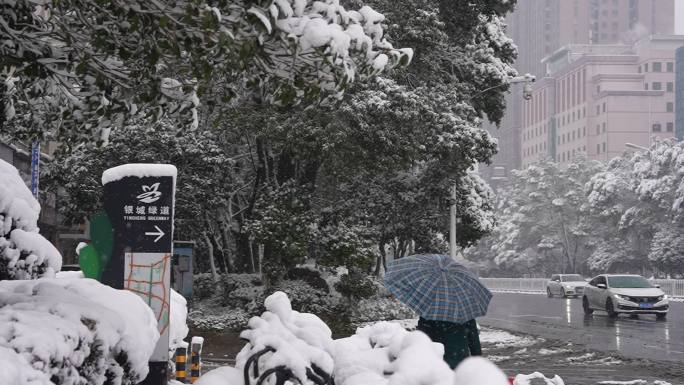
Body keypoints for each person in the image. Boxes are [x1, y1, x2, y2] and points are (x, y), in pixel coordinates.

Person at [416, 317, 482, 369]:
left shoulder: (430, 313)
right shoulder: (465, 314)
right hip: (459, 361)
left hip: (436, 361)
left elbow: (420, 338)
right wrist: (478, 363)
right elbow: (474, 342)